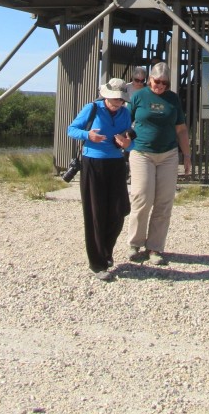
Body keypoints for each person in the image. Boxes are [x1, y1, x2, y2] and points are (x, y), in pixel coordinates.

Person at [67, 77, 133, 281]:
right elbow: (71, 130)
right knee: (96, 213)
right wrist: (88, 135)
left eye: (120, 100)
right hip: (93, 164)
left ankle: (106, 250)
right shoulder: (92, 109)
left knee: (120, 210)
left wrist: (125, 143)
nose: (117, 104)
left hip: (116, 164)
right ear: (105, 95)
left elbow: (130, 142)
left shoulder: (125, 113)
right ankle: (97, 263)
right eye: (114, 100)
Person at [127, 61, 191, 266]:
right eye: (157, 81)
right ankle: (135, 243)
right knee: (142, 197)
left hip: (168, 155)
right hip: (141, 153)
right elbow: (123, 123)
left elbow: (180, 129)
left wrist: (187, 156)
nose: (160, 86)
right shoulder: (138, 97)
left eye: (165, 83)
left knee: (164, 202)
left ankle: (155, 248)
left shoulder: (173, 99)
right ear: (149, 79)